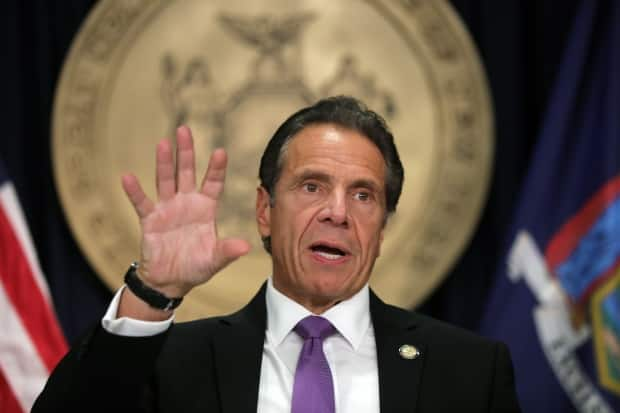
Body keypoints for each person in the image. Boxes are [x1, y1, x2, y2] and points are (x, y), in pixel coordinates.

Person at [33, 96, 521, 412]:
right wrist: (151, 291)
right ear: (265, 210)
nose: (337, 212)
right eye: (312, 186)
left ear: (383, 226)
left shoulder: (469, 372)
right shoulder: (173, 364)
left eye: (363, 195)